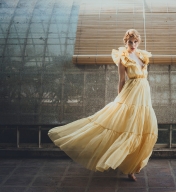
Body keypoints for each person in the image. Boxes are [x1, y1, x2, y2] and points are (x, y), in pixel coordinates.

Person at [48, 29, 158, 181]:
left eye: (135, 42)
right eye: (129, 42)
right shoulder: (123, 58)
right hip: (130, 95)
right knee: (128, 129)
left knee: (144, 129)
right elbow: (121, 81)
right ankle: (123, 165)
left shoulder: (142, 56)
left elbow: (143, 80)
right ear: (125, 42)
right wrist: (120, 100)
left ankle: (132, 166)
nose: (132, 44)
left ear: (138, 42)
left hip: (144, 98)